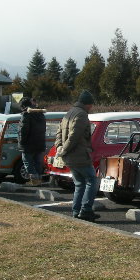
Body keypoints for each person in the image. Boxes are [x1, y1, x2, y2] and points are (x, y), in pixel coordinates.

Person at [55, 90, 99, 221]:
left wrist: (59, 148)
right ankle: (86, 210)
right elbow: (74, 136)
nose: (91, 107)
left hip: (69, 157)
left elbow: (58, 133)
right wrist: (65, 149)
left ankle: (76, 210)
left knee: (79, 183)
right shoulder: (81, 114)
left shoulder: (69, 113)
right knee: (92, 181)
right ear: (87, 104)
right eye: (91, 105)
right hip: (79, 155)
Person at [18, 96, 47, 186]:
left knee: (27, 161)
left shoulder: (26, 114)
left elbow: (23, 130)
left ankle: (34, 180)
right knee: (38, 162)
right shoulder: (40, 114)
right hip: (40, 142)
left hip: (28, 144)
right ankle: (39, 179)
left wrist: (21, 142)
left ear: (23, 106)